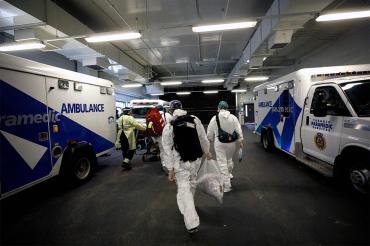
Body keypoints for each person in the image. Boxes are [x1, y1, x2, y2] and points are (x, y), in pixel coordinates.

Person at [162, 100, 212, 233]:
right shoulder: (195, 119)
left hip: (180, 162)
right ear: (183, 108)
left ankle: (191, 222)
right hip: (195, 159)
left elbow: (167, 149)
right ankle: (189, 207)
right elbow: (203, 138)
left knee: (183, 188)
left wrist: (170, 169)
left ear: (171, 111)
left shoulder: (169, 126)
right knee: (192, 182)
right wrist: (207, 152)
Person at [207, 101, 243, 192]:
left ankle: (226, 186)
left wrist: (208, 144)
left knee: (222, 164)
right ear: (227, 108)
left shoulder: (214, 118)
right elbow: (239, 131)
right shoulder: (233, 118)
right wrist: (241, 141)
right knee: (229, 159)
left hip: (219, 144)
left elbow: (209, 134)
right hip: (232, 144)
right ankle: (229, 174)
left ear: (219, 108)